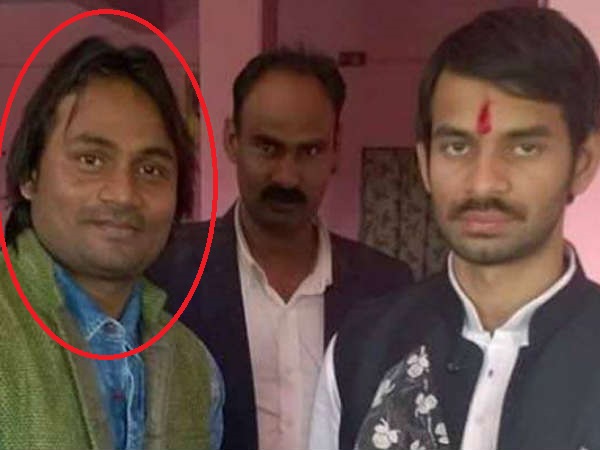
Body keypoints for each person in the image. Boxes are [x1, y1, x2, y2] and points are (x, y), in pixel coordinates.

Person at [309, 7, 600, 450]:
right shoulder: (361, 349)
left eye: (524, 147)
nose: (483, 183)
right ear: (425, 163)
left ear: (582, 163)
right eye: (457, 147)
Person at [148, 47, 413, 450]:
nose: (287, 177)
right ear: (232, 140)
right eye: (268, 148)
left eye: (309, 151)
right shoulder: (167, 274)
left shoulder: (387, 290)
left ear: (335, 148)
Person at [0, 37, 223, 450]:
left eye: (151, 169)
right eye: (91, 160)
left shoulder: (193, 367)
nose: (123, 194)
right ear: (30, 174)